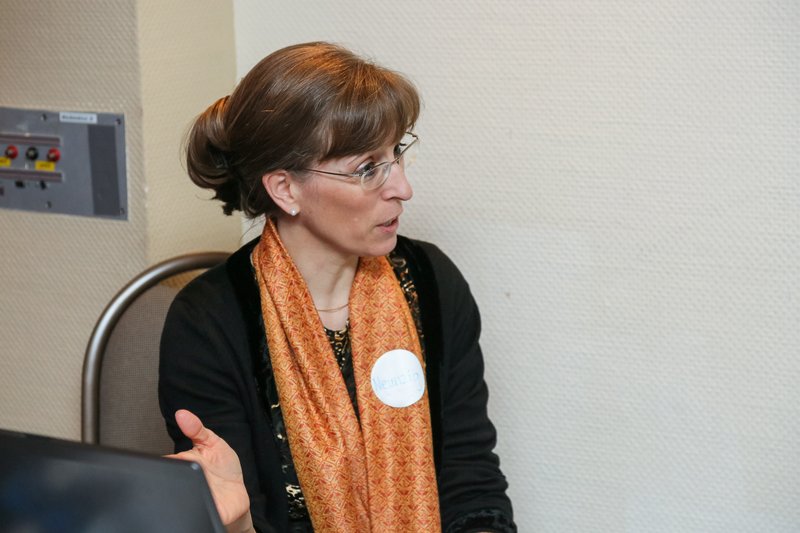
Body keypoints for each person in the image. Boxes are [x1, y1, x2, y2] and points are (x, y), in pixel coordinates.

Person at [158, 41, 515, 533]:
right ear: (285, 188)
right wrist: (233, 526)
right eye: (367, 169)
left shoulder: (431, 282)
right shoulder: (208, 321)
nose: (402, 188)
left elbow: (471, 483)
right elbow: (236, 510)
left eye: (397, 154)